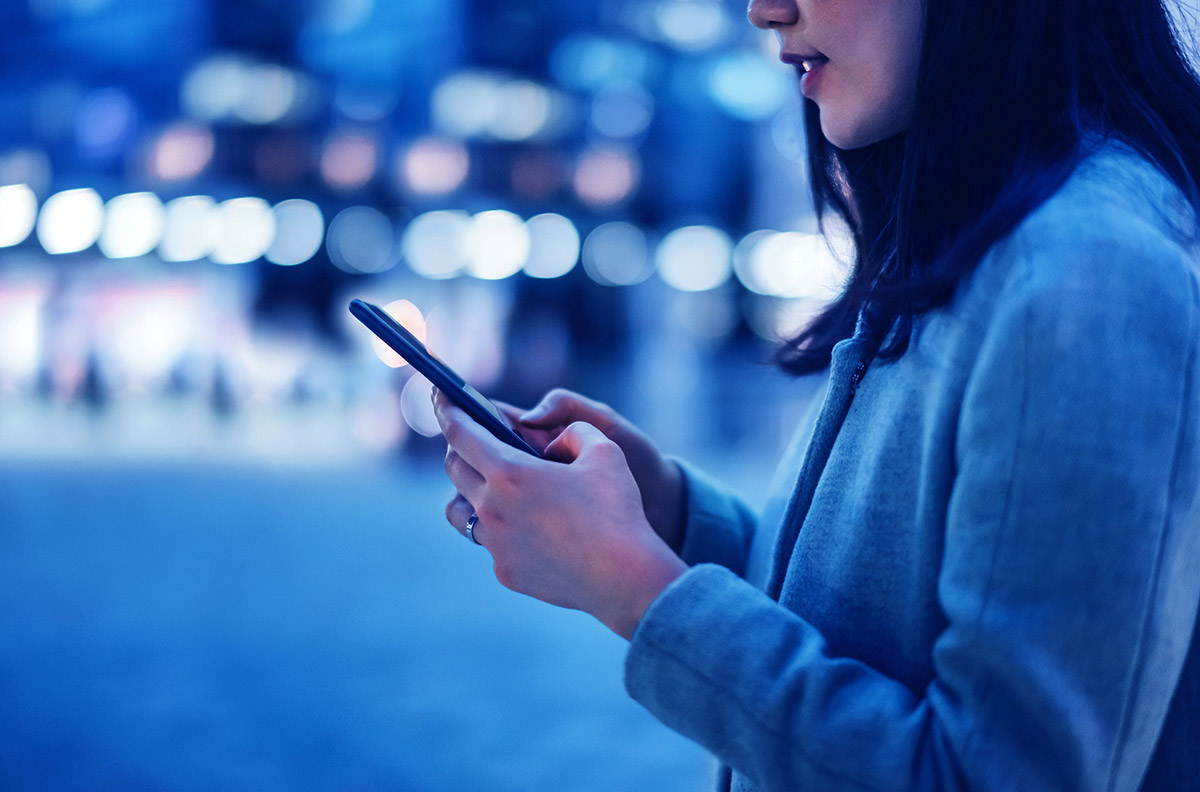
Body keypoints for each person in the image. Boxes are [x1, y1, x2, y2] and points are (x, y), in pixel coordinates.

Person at [432, 0, 1200, 789]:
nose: (767, 8)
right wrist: (668, 516)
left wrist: (634, 585)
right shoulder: (972, 231)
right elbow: (881, 617)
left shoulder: (1086, 274)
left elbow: (991, 775)